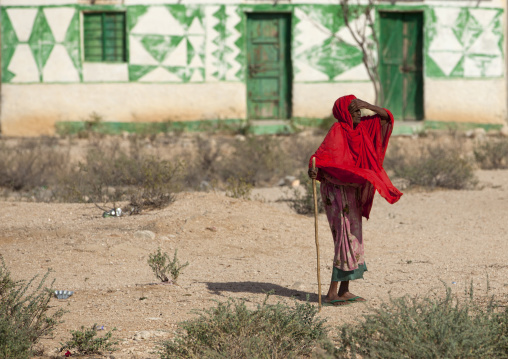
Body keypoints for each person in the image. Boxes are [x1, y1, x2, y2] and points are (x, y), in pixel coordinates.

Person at [308, 95, 402, 306]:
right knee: (343, 237)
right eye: (355, 111)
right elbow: (319, 158)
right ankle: (332, 293)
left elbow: (387, 118)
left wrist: (368, 105)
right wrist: (313, 170)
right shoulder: (337, 131)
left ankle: (344, 290)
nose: (360, 114)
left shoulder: (362, 129)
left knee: (353, 236)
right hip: (336, 191)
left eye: (359, 110)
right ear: (345, 114)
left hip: (352, 191)